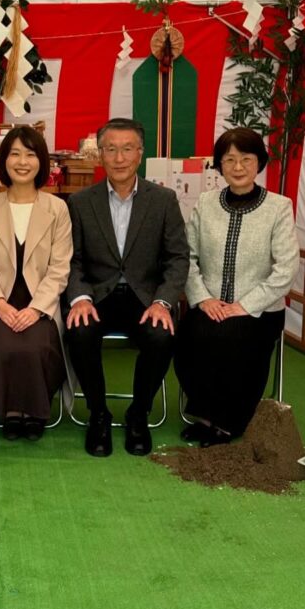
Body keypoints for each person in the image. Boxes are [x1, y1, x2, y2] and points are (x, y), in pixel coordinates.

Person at [65, 118, 189, 457]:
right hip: (97, 296)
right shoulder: (80, 202)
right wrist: (79, 297)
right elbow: (71, 260)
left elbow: (178, 258)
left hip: (145, 298)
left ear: (140, 153)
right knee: (78, 331)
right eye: (111, 149)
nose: (119, 158)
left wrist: (163, 302)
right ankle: (98, 414)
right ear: (100, 155)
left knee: (162, 336)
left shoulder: (163, 200)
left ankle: (139, 413)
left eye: (127, 149)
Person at [174, 127, 299, 445]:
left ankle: (230, 421)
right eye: (229, 160)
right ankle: (205, 416)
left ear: (260, 163)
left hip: (258, 311)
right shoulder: (206, 203)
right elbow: (186, 257)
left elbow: (286, 270)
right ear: (219, 165)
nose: (238, 167)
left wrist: (245, 306)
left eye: (246, 158)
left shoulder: (279, 207)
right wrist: (202, 299)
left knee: (236, 341)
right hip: (210, 304)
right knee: (189, 338)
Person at [0, 126, 71, 440]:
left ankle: (34, 410)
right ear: (3, 160)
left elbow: (59, 268)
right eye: (15, 154)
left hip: (41, 302)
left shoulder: (58, 209)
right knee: (1, 340)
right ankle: (10, 410)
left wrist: (36, 309)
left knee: (38, 342)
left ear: (42, 162)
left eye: (31, 154)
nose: (23, 162)